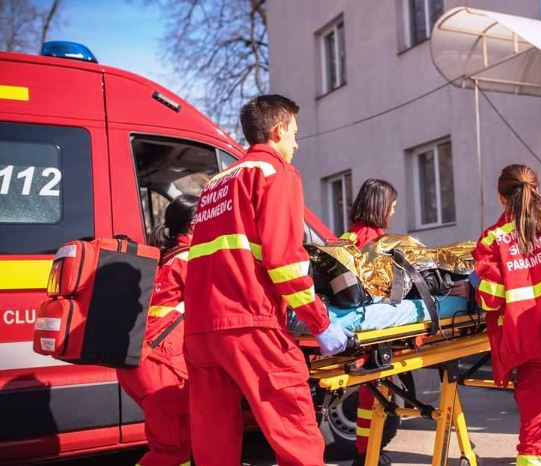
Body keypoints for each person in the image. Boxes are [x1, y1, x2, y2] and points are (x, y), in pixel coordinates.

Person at [184, 94, 349, 466]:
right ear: (277, 131)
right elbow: (285, 261)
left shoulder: (216, 183)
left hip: (201, 329)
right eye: (294, 134)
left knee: (213, 444)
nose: (296, 143)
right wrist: (320, 324)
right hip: (249, 321)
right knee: (295, 431)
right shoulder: (275, 173)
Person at [473, 164, 541, 465]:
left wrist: (475, 288)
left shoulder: (492, 239)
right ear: (536, 189)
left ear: (501, 198)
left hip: (533, 345)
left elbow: (492, 298)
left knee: (536, 433)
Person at [117, 194, 198, 466]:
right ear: (194, 224)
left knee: (180, 446)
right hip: (162, 366)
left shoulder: (165, 259)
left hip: (142, 361)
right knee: (171, 451)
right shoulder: (190, 260)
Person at [340, 178, 397, 466]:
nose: (393, 212)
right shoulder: (376, 242)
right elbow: (387, 289)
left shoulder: (348, 236)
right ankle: (368, 454)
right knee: (373, 397)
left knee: (368, 395)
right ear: (381, 206)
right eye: (392, 206)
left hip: (354, 326)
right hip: (374, 331)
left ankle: (365, 452)